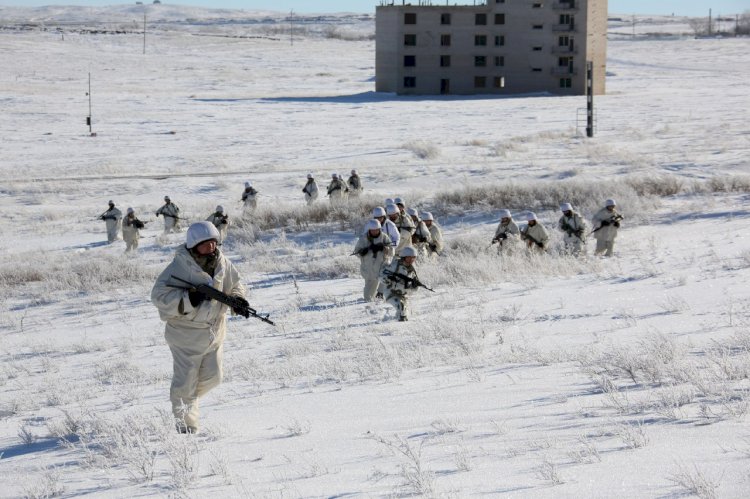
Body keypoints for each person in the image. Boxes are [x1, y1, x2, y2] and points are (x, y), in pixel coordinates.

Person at [151, 222, 248, 434]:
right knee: (184, 384)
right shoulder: (178, 267)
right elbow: (158, 296)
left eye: (214, 242)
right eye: (206, 244)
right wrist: (190, 298)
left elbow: (236, 283)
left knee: (214, 378)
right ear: (194, 245)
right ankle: (186, 428)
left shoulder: (223, 262)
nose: (212, 247)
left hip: (214, 333)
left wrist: (238, 300)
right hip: (185, 336)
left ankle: (186, 401)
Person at [353, 219, 393, 302]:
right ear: (369, 230)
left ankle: (381, 295)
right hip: (369, 269)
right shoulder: (363, 239)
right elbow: (356, 252)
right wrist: (362, 252)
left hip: (381, 267)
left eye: (376, 230)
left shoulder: (384, 237)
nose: (375, 231)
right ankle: (370, 303)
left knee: (384, 283)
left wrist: (383, 248)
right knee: (368, 297)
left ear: (379, 229)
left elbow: (392, 251)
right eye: (373, 230)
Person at [380, 246, 422, 322]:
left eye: (413, 258)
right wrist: (389, 279)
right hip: (391, 293)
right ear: (404, 257)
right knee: (401, 306)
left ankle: (398, 323)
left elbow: (415, 288)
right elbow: (381, 276)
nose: (411, 260)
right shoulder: (394, 265)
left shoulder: (412, 270)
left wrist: (414, 286)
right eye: (409, 258)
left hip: (403, 295)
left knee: (404, 311)